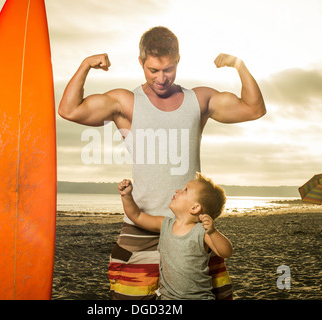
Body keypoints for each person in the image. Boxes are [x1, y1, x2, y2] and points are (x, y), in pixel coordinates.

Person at [58, 26, 266, 300]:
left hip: (188, 223)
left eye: (168, 69)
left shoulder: (198, 99)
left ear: (178, 61)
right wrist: (85, 65)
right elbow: (68, 110)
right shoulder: (127, 102)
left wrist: (239, 65)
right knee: (129, 300)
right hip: (142, 222)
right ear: (141, 63)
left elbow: (254, 109)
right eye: (153, 70)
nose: (161, 78)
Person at [117, 173, 233, 300]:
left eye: (185, 190)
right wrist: (126, 196)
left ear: (194, 208)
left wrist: (213, 231)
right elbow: (137, 216)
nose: (178, 190)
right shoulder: (165, 224)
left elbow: (226, 252)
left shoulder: (201, 232)